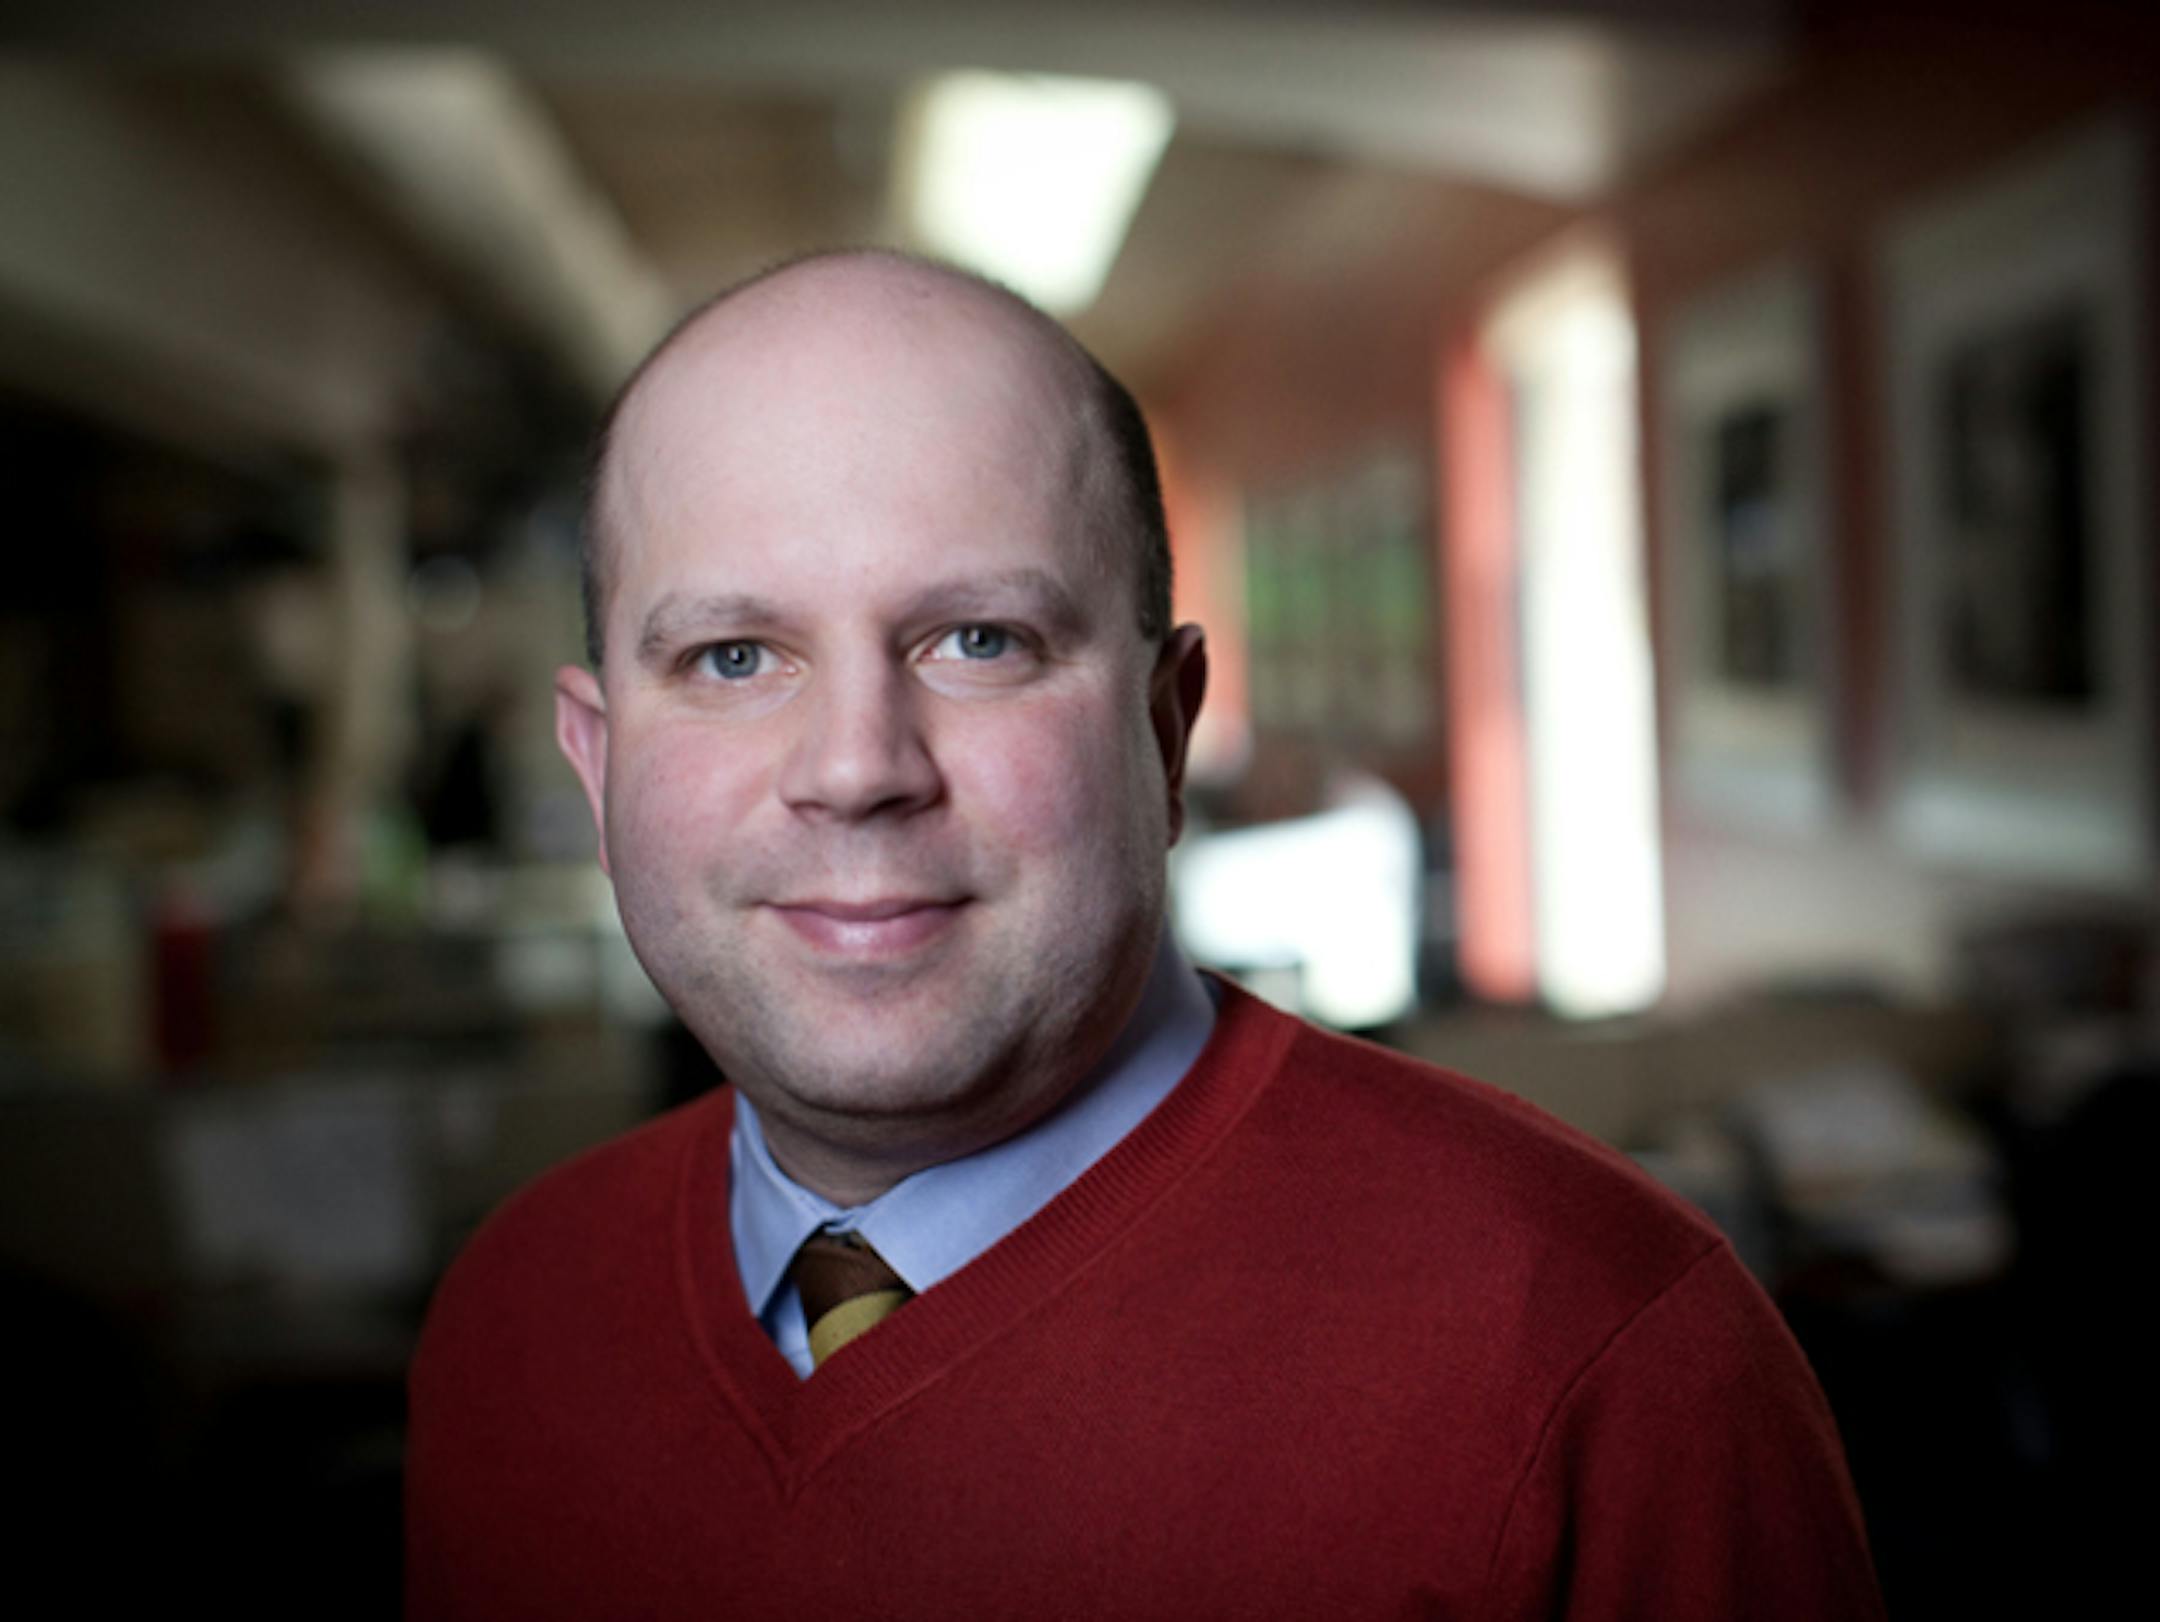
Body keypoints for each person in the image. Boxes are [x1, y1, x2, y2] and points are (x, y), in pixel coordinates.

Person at [405, 250, 1885, 1619]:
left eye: (979, 641)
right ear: (598, 762)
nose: (857, 768)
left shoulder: (1603, 1351)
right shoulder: (511, 1323)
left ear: (1166, 730)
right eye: (733, 656)